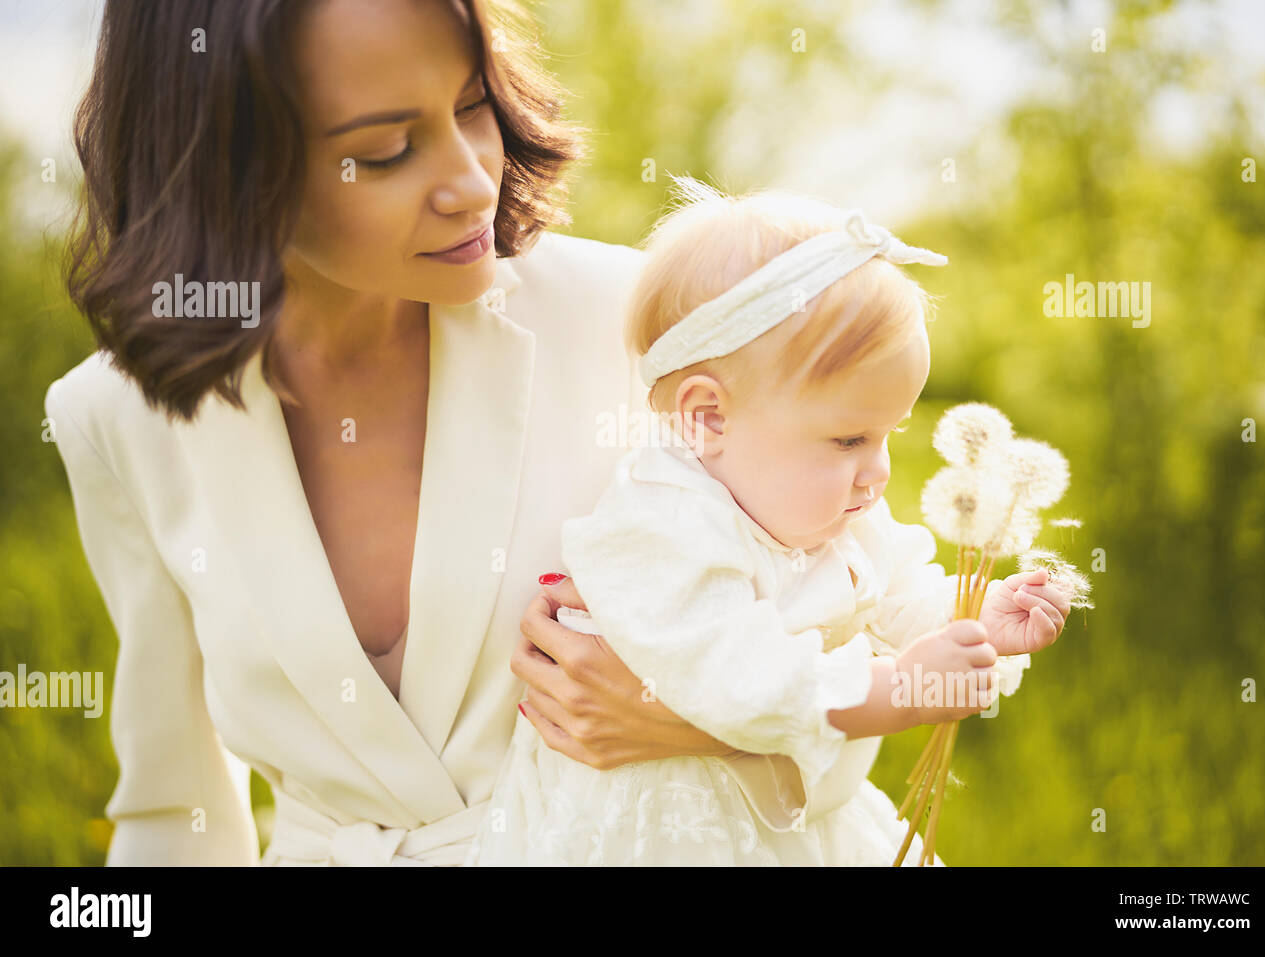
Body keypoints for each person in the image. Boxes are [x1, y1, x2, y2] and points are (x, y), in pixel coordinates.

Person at [44, 0, 783, 866]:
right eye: (386, 151)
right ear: (226, 167)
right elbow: (173, 817)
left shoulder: (635, 324)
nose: (473, 180)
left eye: (473, 106)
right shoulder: (115, 418)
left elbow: (863, 663)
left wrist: (679, 717)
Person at [466, 179, 1071, 866]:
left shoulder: (830, 507)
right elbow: (743, 679)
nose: (876, 470)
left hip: (781, 820)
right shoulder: (658, 528)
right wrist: (897, 688)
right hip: (658, 832)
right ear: (708, 417)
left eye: (886, 434)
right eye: (848, 440)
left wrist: (975, 613)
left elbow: (899, 592)